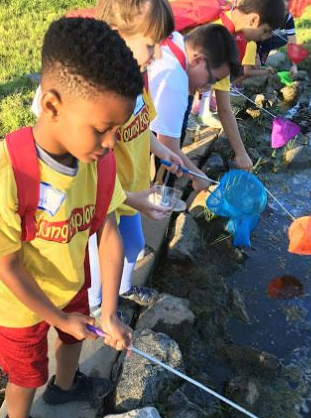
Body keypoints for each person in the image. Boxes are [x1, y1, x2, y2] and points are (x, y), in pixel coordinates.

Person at [0, 18, 140, 418]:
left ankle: (65, 385)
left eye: (117, 129)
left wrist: (109, 312)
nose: (110, 142)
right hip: (19, 304)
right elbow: (8, 264)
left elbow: (110, 232)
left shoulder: (97, 164)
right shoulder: (11, 170)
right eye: (102, 128)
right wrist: (56, 316)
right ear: (52, 103)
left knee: (73, 342)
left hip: (72, 282)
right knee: (24, 375)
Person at [32, 0, 184, 312]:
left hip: (135, 187)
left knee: (135, 245)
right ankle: (97, 305)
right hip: (112, 195)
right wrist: (131, 198)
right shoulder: (95, 101)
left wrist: (165, 151)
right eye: (151, 45)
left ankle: (123, 289)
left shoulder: (136, 83)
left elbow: (143, 129)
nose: (157, 56)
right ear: (116, 35)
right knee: (104, 254)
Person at [180, 0, 286, 159]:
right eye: (266, 31)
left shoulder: (231, 31)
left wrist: (241, 153)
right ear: (254, 20)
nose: (264, 38)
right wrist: (241, 154)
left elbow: (224, 106)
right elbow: (224, 108)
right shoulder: (217, 34)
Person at [148, 24, 242, 181]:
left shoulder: (178, 38)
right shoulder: (176, 81)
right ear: (198, 59)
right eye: (212, 80)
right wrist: (199, 178)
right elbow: (168, 146)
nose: (209, 87)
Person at [257, 0, 299, 77]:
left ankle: (262, 55)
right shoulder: (262, 10)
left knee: (285, 38)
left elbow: (292, 41)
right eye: (281, 9)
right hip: (255, 34)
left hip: (268, 35)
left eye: (286, 10)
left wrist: (294, 65)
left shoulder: (288, 17)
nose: (284, 13)